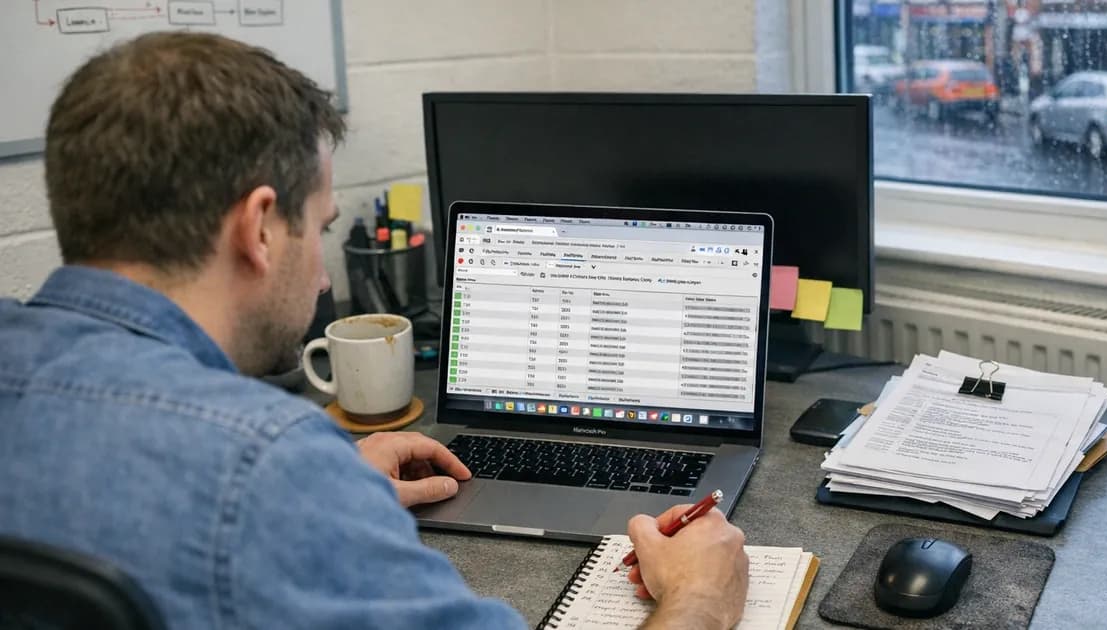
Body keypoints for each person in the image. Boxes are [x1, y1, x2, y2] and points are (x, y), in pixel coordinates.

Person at [0, 32, 749, 629]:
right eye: (320, 229)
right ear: (260, 227)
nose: (325, 277)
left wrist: (328, 491)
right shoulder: (269, 463)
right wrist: (701, 601)